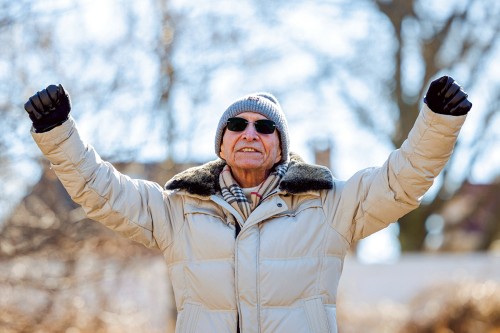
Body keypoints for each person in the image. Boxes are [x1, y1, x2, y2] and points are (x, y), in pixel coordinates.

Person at [24, 76, 471, 333]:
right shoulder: (178, 210)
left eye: (265, 127)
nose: (250, 133)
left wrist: (438, 121)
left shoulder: (330, 205)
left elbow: (403, 182)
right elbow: (102, 191)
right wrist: (59, 132)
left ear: (280, 147)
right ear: (223, 143)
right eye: (237, 125)